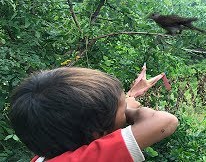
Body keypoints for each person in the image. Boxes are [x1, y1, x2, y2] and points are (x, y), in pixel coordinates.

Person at [9, 67, 178, 162]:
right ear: (97, 134)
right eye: (123, 107)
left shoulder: (44, 156)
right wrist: (127, 110)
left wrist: (128, 98)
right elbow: (165, 121)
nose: (126, 107)